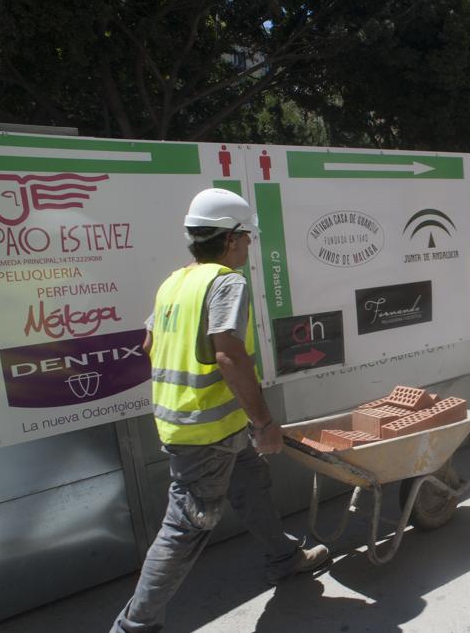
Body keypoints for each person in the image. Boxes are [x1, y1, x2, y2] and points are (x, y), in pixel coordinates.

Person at [112, 188, 329, 633]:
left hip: (203, 423)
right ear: (230, 239)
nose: (250, 244)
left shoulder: (175, 281)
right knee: (185, 528)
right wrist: (264, 422)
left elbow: (149, 344)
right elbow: (228, 353)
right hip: (206, 431)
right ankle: (135, 626)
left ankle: (284, 559)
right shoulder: (226, 282)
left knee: (251, 485)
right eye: (247, 236)